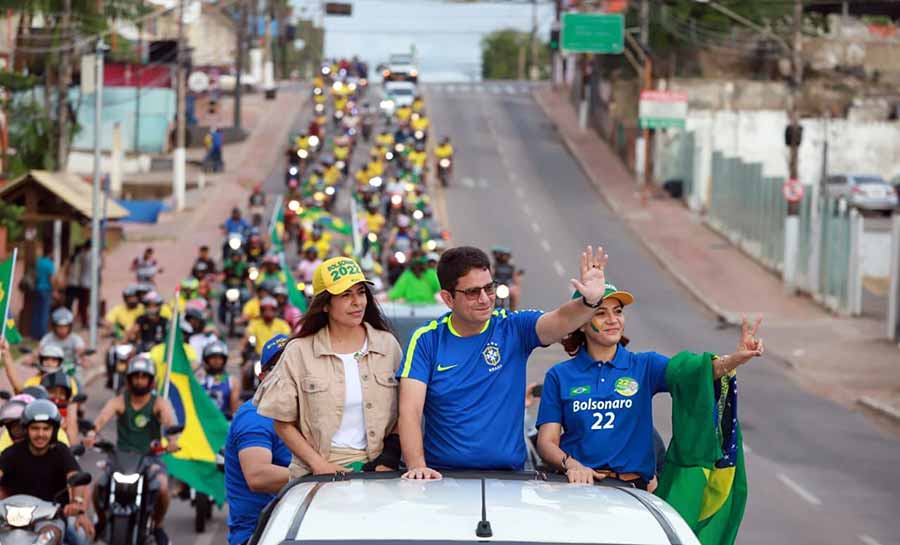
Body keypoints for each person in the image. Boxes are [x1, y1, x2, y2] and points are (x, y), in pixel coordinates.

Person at [397, 245, 610, 479]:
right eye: (472, 292)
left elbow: (559, 320)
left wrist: (590, 302)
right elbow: (410, 411)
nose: (485, 299)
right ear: (448, 298)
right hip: (444, 478)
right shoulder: (427, 339)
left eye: (489, 288)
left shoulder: (513, 327)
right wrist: (417, 466)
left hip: (510, 479)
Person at [535, 286, 764, 488]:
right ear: (581, 323)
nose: (613, 320)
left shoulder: (645, 365)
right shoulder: (560, 375)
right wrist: (572, 465)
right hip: (577, 488)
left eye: (618, 312)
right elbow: (546, 443)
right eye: (601, 313)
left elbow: (693, 372)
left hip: (632, 491)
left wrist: (735, 358)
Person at [255, 257, 403, 477]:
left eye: (361, 292)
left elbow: (406, 411)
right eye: (346, 295)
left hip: (379, 473)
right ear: (324, 304)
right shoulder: (299, 351)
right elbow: (283, 423)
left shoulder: (387, 345)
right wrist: (318, 465)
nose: (357, 302)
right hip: (317, 475)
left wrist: (388, 460)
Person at [84, 355, 180, 545]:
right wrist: (92, 433)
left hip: (150, 458)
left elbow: (170, 422)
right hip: (121, 457)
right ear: (129, 379)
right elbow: (103, 416)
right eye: (136, 376)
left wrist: (172, 440)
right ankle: (102, 521)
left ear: (151, 380)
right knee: (98, 485)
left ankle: (158, 525)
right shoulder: (120, 401)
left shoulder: (159, 403)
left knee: (162, 488)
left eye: (144, 376)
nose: (139, 380)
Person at [224, 335, 292, 545]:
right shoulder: (255, 415)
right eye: (277, 366)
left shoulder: (302, 413)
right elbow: (258, 476)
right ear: (263, 376)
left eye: (292, 363)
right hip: (259, 534)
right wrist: (319, 473)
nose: (287, 372)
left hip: (294, 525)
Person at [0, 399, 94, 545]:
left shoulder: (61, 451)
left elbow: (74, 475)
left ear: (54, 430)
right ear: (26, 429)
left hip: (50, 518)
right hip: (12, 517)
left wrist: (76, 502)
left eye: (46, 429)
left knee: (79, 536)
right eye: (35, 428)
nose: (40, 434)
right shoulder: (11, 453)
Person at [39, 307, 88, 375]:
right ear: (54, 326)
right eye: (59, 327)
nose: (62, 330)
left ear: (70, 327)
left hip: (70, 371)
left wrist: (83, 359)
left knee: (77, 383)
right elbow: (39, 350)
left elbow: (80, 350)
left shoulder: (75, 339)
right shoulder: (48, 338)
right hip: (51, 369)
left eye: (65, 327)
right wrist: (32, 358)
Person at [200, 341, 241, 419]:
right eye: (213, 357)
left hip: (224, 423)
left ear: (224, 360)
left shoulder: (232, 381)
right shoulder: (199, 380)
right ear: (206, 360)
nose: (216, 361)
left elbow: (234, 410)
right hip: (202, 423)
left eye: (219, 358)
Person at [30, 244, 56, 340]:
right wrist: (54, 291)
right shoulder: (50, 264)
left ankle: (33, 334)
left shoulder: (38, 262)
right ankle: (42, 335)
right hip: (46, 290)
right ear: (50, 253)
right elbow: (51, 279)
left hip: (37, 289)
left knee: (36, 312)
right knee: (44, 313)